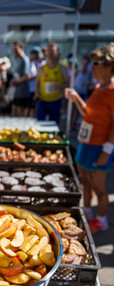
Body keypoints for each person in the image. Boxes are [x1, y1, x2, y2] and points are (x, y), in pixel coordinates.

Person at [65, 43, 114, 233]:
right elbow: (88, 114)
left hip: (98, 146)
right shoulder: (99, 88)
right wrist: (76, 98)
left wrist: (107, 150)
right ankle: (86, 212)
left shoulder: (112, 91)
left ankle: (102, 220)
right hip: (85, 143)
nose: (91, 67)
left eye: (96, 63)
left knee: (99, 187)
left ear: (109, 65)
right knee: (85, 181)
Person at [34, 42, 69, 124]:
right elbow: (37, 83)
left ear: (58, 54)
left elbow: (68, 84)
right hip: (42, 101)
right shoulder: (41, 68)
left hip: (55, 102)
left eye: (52, 51)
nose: (50, 53)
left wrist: (59, 86)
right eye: (48, 50)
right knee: (40, 124)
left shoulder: (62, 68)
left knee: (54, 125)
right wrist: (36, 94)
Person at [72, 55, 93, 129]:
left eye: (86, 64)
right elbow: (71, 80)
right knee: (74, 110)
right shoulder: (78, 70)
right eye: (84, 63)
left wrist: (90, 86)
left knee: (79, 110)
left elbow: (90, 83)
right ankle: (72, 123)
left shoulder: (89, 72)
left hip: (83, 93)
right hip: (75, 92)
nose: (85, 65)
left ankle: (75, 124)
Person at [12, 41, 30, 117]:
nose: (14, 52)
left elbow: (27, 76)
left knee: (20, 112)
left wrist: (16, 82)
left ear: (21, 48)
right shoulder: (16, 60)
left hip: (22, 91)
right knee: (15, 110)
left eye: (16, 50)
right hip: (16, 91)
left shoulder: (25, 60)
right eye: (13, 50)